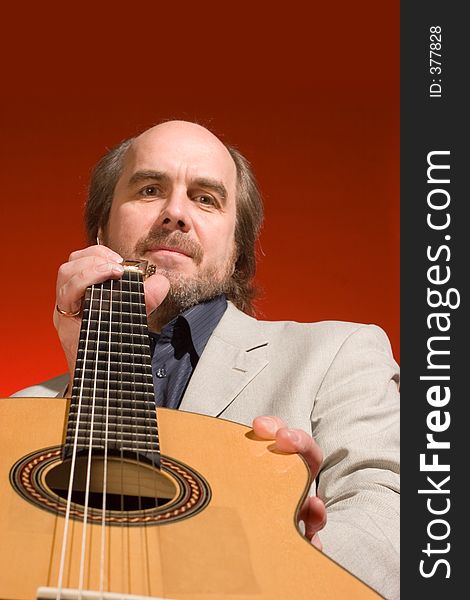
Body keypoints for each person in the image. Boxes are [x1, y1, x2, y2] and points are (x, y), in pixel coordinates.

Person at [14, 120, 399, 599]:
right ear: (100, 228)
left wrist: (297, 562)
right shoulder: (19, 414)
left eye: (205, 198)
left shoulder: (337, 353)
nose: (175, 213)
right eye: (149, 189)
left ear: (237, 247)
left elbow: (396, 515)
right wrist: (81, 379)